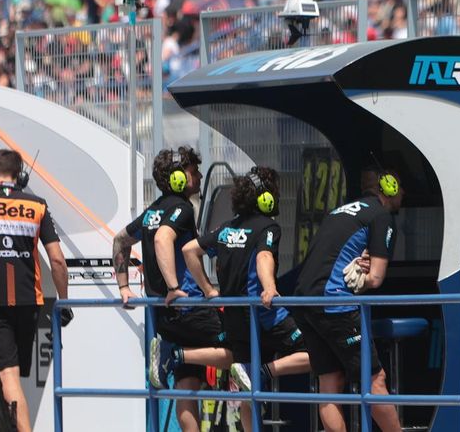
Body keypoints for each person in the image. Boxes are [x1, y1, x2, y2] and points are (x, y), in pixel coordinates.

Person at [111, 147, 234, 432]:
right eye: (193, 172)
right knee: (235, 349)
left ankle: (176, 354)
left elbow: (120, 241)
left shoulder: (152, 211)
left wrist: (124, 287)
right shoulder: (182, 208)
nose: (199, 176)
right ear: (178, 178)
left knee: (187, 382)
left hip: (164, 315)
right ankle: (174, 354)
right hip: (188, 307)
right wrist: (174, 287)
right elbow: (162, 239)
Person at [0, 150, 69, 432]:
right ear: (21, 176)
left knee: (8, 376)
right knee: (15, 376)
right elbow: (57, 260)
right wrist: (64, 301)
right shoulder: (37, 205)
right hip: (30, 301)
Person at [291, 169, 407, 432]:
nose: (404, 193)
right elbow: (375, 279)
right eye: (400, 187)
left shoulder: (339, 212)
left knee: (329, 382)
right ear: (388, 188)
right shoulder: (381, 215)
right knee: (375, 380)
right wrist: (363, 273)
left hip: (303, 300)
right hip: (333, 302)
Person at [204, 167, 311, 388]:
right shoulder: (268, 227)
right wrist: (270, 288)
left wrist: (207, 289)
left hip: (236, 320)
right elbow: (264, 256)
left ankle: (252, 375)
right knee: (316, 353)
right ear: (265, 198)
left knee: (247, 388)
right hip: (264, 315)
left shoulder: (226, 228)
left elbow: (189, 250)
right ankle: (262, 372)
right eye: (275, 191)